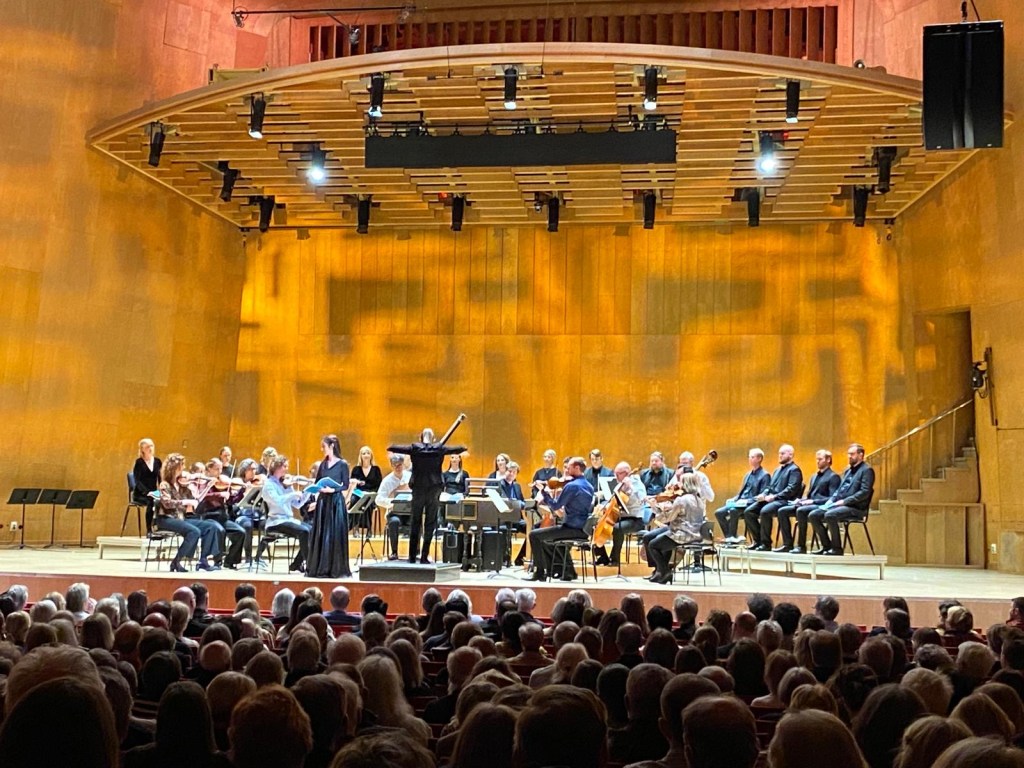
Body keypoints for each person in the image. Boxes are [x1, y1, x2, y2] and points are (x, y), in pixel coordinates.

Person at [388, 425, 467, 564]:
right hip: (434, 488)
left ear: (420, 438)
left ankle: (412, 556)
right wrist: (462, 449)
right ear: (434, 439)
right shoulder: (439, 448)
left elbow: (394, 447)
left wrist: (391, 449)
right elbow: (459, 448)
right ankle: (424, 556)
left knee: (415, 522)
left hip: (418, 488)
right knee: (430, 523)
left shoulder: (414, 448)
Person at [527, 456, 594, 582]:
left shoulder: (572, 486)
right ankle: (568, 571)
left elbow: (556, 505)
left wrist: (544, 492)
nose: (567, 470)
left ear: (577, 468)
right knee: (548, 540)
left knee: (534, 535)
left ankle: (540, 572)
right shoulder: (589, 486)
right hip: (583, 529)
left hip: (571, 528)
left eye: (569, 467)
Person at [156, 453, 220, 572]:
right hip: (166, 519)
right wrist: (184, 502)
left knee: (211, 527)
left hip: (180, 518)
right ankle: (176, 562)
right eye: (181, 466)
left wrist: (207, 487)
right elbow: (167, 503)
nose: (183, 469)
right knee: (194, 531)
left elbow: (195, 500)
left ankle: (203, 560)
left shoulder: (182, 486)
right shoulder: (164, 485)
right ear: (174, 468)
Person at [808, 443, 875, 555]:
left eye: (852, 454)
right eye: (848, 454)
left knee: (830, 515)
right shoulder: (848, 470)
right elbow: (839, 490)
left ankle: (837, 549)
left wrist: (845, 501)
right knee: (813, 515)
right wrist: (831, 501)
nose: (849, 456)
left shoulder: (867, 470)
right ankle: (826, 546)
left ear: (861, 455)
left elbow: (864, 492)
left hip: (856, 507)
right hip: (841, 505)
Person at [777, 449, 841, 553]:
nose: (817, 461)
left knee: (801, 511)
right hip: (810, 504)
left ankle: (802, 546)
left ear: (828, 460)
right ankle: (787, 544)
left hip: (822, 505)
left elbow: (832, 499)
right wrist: (801, 500)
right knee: (782, 511)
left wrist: (813, 502)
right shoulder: (814, 476)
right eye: (817, 459)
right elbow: (810, 496)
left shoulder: (834, 477)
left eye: (820, 459)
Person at [306, 434, 352, 579]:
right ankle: (321, 567)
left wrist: (333, 489)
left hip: (336, 502)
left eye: (324, 446)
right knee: (322, 534)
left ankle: (335, 568)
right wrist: (318, 488)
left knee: (333, 534)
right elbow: (318, 481)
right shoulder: (323, 464)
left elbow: (345, 485)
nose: (322, 449)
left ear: (332, 446)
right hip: (323, 502)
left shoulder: (343, 464)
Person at [645, 472, 704, 584]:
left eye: (680, 482)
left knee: (653, 545)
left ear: (685, 484)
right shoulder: (699, 500)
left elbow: (667, 519)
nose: (678, 484)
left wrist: (655, 507)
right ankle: (662, 573)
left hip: (682, 534)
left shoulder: (681, 500)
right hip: (696, 534)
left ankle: (665, 571)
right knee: (661, 540)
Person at [260, 456, 315, 573]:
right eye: (284, 466)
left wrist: (308, 490)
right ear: (277, 467)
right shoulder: (268, 485)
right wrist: (292, 494)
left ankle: (296, 564)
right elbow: (277, 501)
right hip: (275, 522)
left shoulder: (285, 484)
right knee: (304, 531)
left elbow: (297, 504)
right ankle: (310, 567)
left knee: (313, 531)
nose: (287, 469)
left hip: (288, 520)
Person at [743, 444, 803, 551]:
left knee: (765, 511)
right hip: (772, 499)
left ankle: (766, 544)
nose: (780, 455)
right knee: (749, 512)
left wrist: (774, 497)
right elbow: (770, 487)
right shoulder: (777, 470)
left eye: (783, 453)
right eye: (779, 453)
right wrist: (764, 494)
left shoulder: (794, 470)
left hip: (785, 500)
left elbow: (791, 489)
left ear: (790, 455)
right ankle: (758, 540)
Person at [593, 461, 648, 566]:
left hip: (635, 520)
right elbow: (612, 500)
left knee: (617, 528)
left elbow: (641, 500)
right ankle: (602, 557)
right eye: (615, 473)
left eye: (618, 474)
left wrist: (631, 488)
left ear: (626, 473)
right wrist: (604, 506)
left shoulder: (637, 484)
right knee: (595, 525)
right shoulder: (619, 484)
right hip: (619, 517)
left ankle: (615, 559)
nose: (615, 476)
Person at [375, 453, 412, 560]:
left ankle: (415, 552)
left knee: (417, 520)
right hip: (394, 512)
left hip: (409, 511)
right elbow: (378, 499)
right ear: (391, 466)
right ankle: (394, 552)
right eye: (395, 465)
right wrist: (391, 502)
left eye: (399, 465)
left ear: (403, 464)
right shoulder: (387, 481)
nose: (397, 467)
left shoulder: (410, 476)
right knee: (394, 522)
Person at [133, 438, 163, 532]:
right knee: (152, 500)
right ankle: (149, 530)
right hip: (141, 493)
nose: (150, 448)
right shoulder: (139, 462)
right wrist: (147, 492)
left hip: (154, 492)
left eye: (151, 446)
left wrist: (163, 489)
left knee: (165, 500)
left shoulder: (157, 461)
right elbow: (137, 481)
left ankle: (160, 526)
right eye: (147, 447)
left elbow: (161, 478)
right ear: (142, 449)